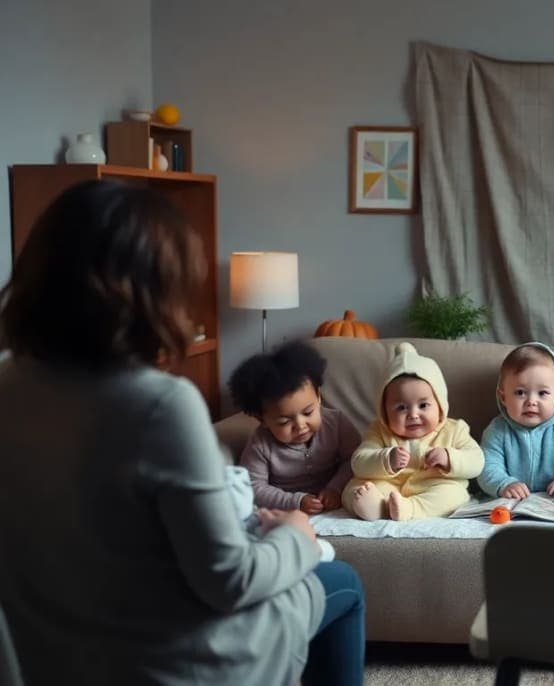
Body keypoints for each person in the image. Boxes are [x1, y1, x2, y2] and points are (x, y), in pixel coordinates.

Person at [0, 180, 364, 685]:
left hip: (56, 656)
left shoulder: (9, 382)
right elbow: (231, 581)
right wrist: (296, 537)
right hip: (175, 663)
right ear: (153, 295)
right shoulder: (159, 405)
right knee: (342, 582)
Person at [343, 342, 484, 520]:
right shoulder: (379, 431)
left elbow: (477, 461)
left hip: (432, 487)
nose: (413, 415)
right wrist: (386, 459)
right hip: (389, 486)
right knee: (355, 489)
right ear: (384, 410)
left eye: (423, 405)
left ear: (440, 405)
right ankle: (378, 508)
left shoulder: (454, 429)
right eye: (401, 407)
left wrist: (449, 458)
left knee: (455, 494)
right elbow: (358, 462)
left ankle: (410, 509)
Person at [229, 340, 360, 513]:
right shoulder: (261, 444)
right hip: (287, 510)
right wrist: (295, 501)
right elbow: (253, 486)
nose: (300, 425)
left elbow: (357, 459)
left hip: (336, 499)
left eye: (308, 413)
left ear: (318, 397)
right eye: (284, 422)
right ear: (263, 420)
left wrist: (335, 488)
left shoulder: (336, 423)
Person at [477, 343, 554, 498]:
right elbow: (486, 466)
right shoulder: (497, 430)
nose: (531, 401)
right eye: (520, 392)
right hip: (511, 502)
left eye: (543, 393)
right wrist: (504, 484)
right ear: (503, 397)